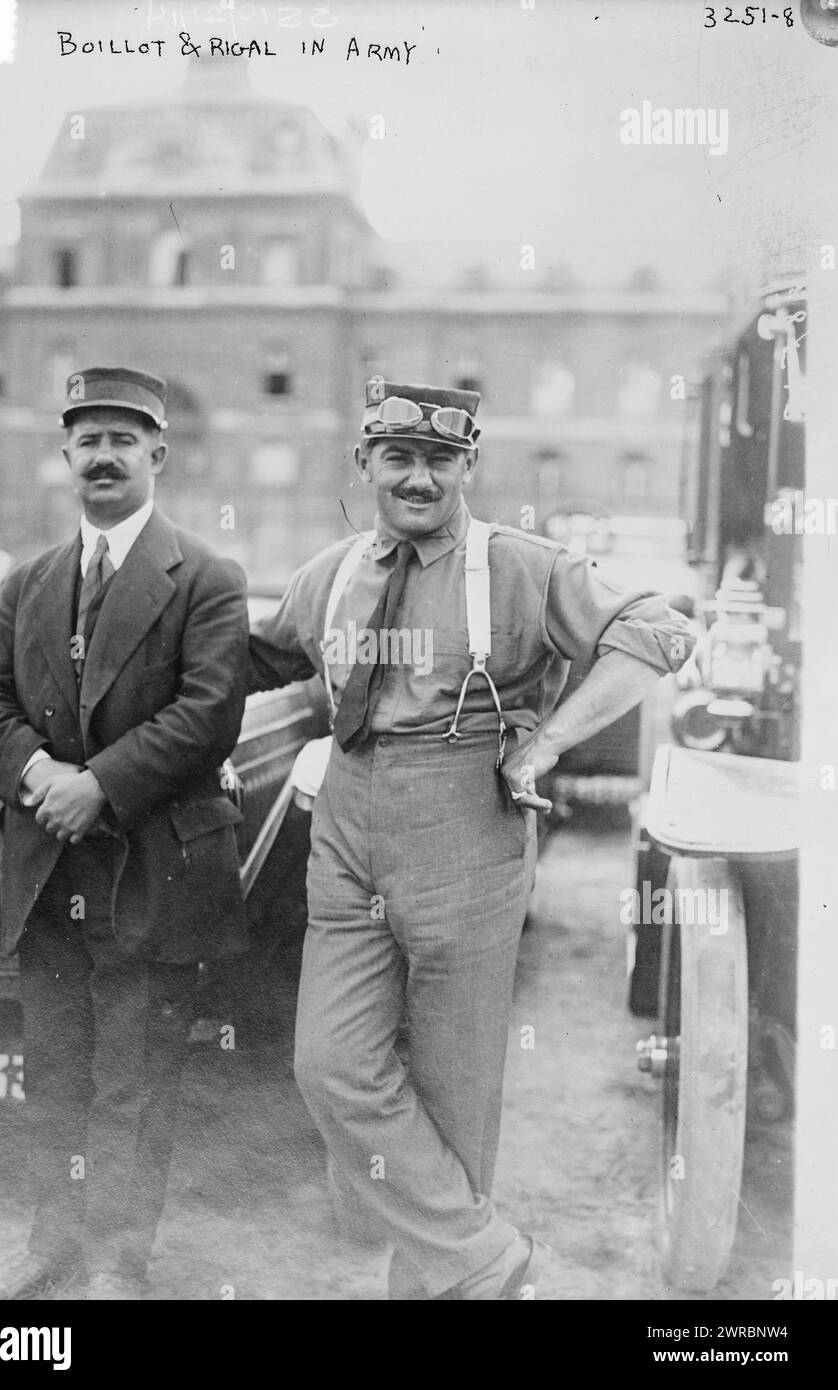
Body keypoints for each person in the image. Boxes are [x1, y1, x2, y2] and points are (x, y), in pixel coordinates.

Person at [248, 378, 695, 1300]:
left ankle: (438, 1288)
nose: (419, 478)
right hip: (347, 817)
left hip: (466, 821)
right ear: (364, 461)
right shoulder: (328, 574)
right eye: (399, 457)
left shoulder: (521, 565)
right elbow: (254, 660)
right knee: (330, 1064)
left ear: (468, 466)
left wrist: (553, 739)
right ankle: (487, 1262)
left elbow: (659, 629)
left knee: (453, 1095)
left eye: (440, 461)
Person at [0, 367, 249, 1300]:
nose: (104, 456)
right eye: (87, 440)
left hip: (150, 870)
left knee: (135, 1078)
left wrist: (100, 787)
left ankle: (120, 1262)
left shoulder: (206, 576)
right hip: (46, 869)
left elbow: (209, 713)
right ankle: (53, 1246)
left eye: (124, 440)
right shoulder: (31, 580)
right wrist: (40, 774)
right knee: (55, 1070)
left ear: (157, 455)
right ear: (66, 457)